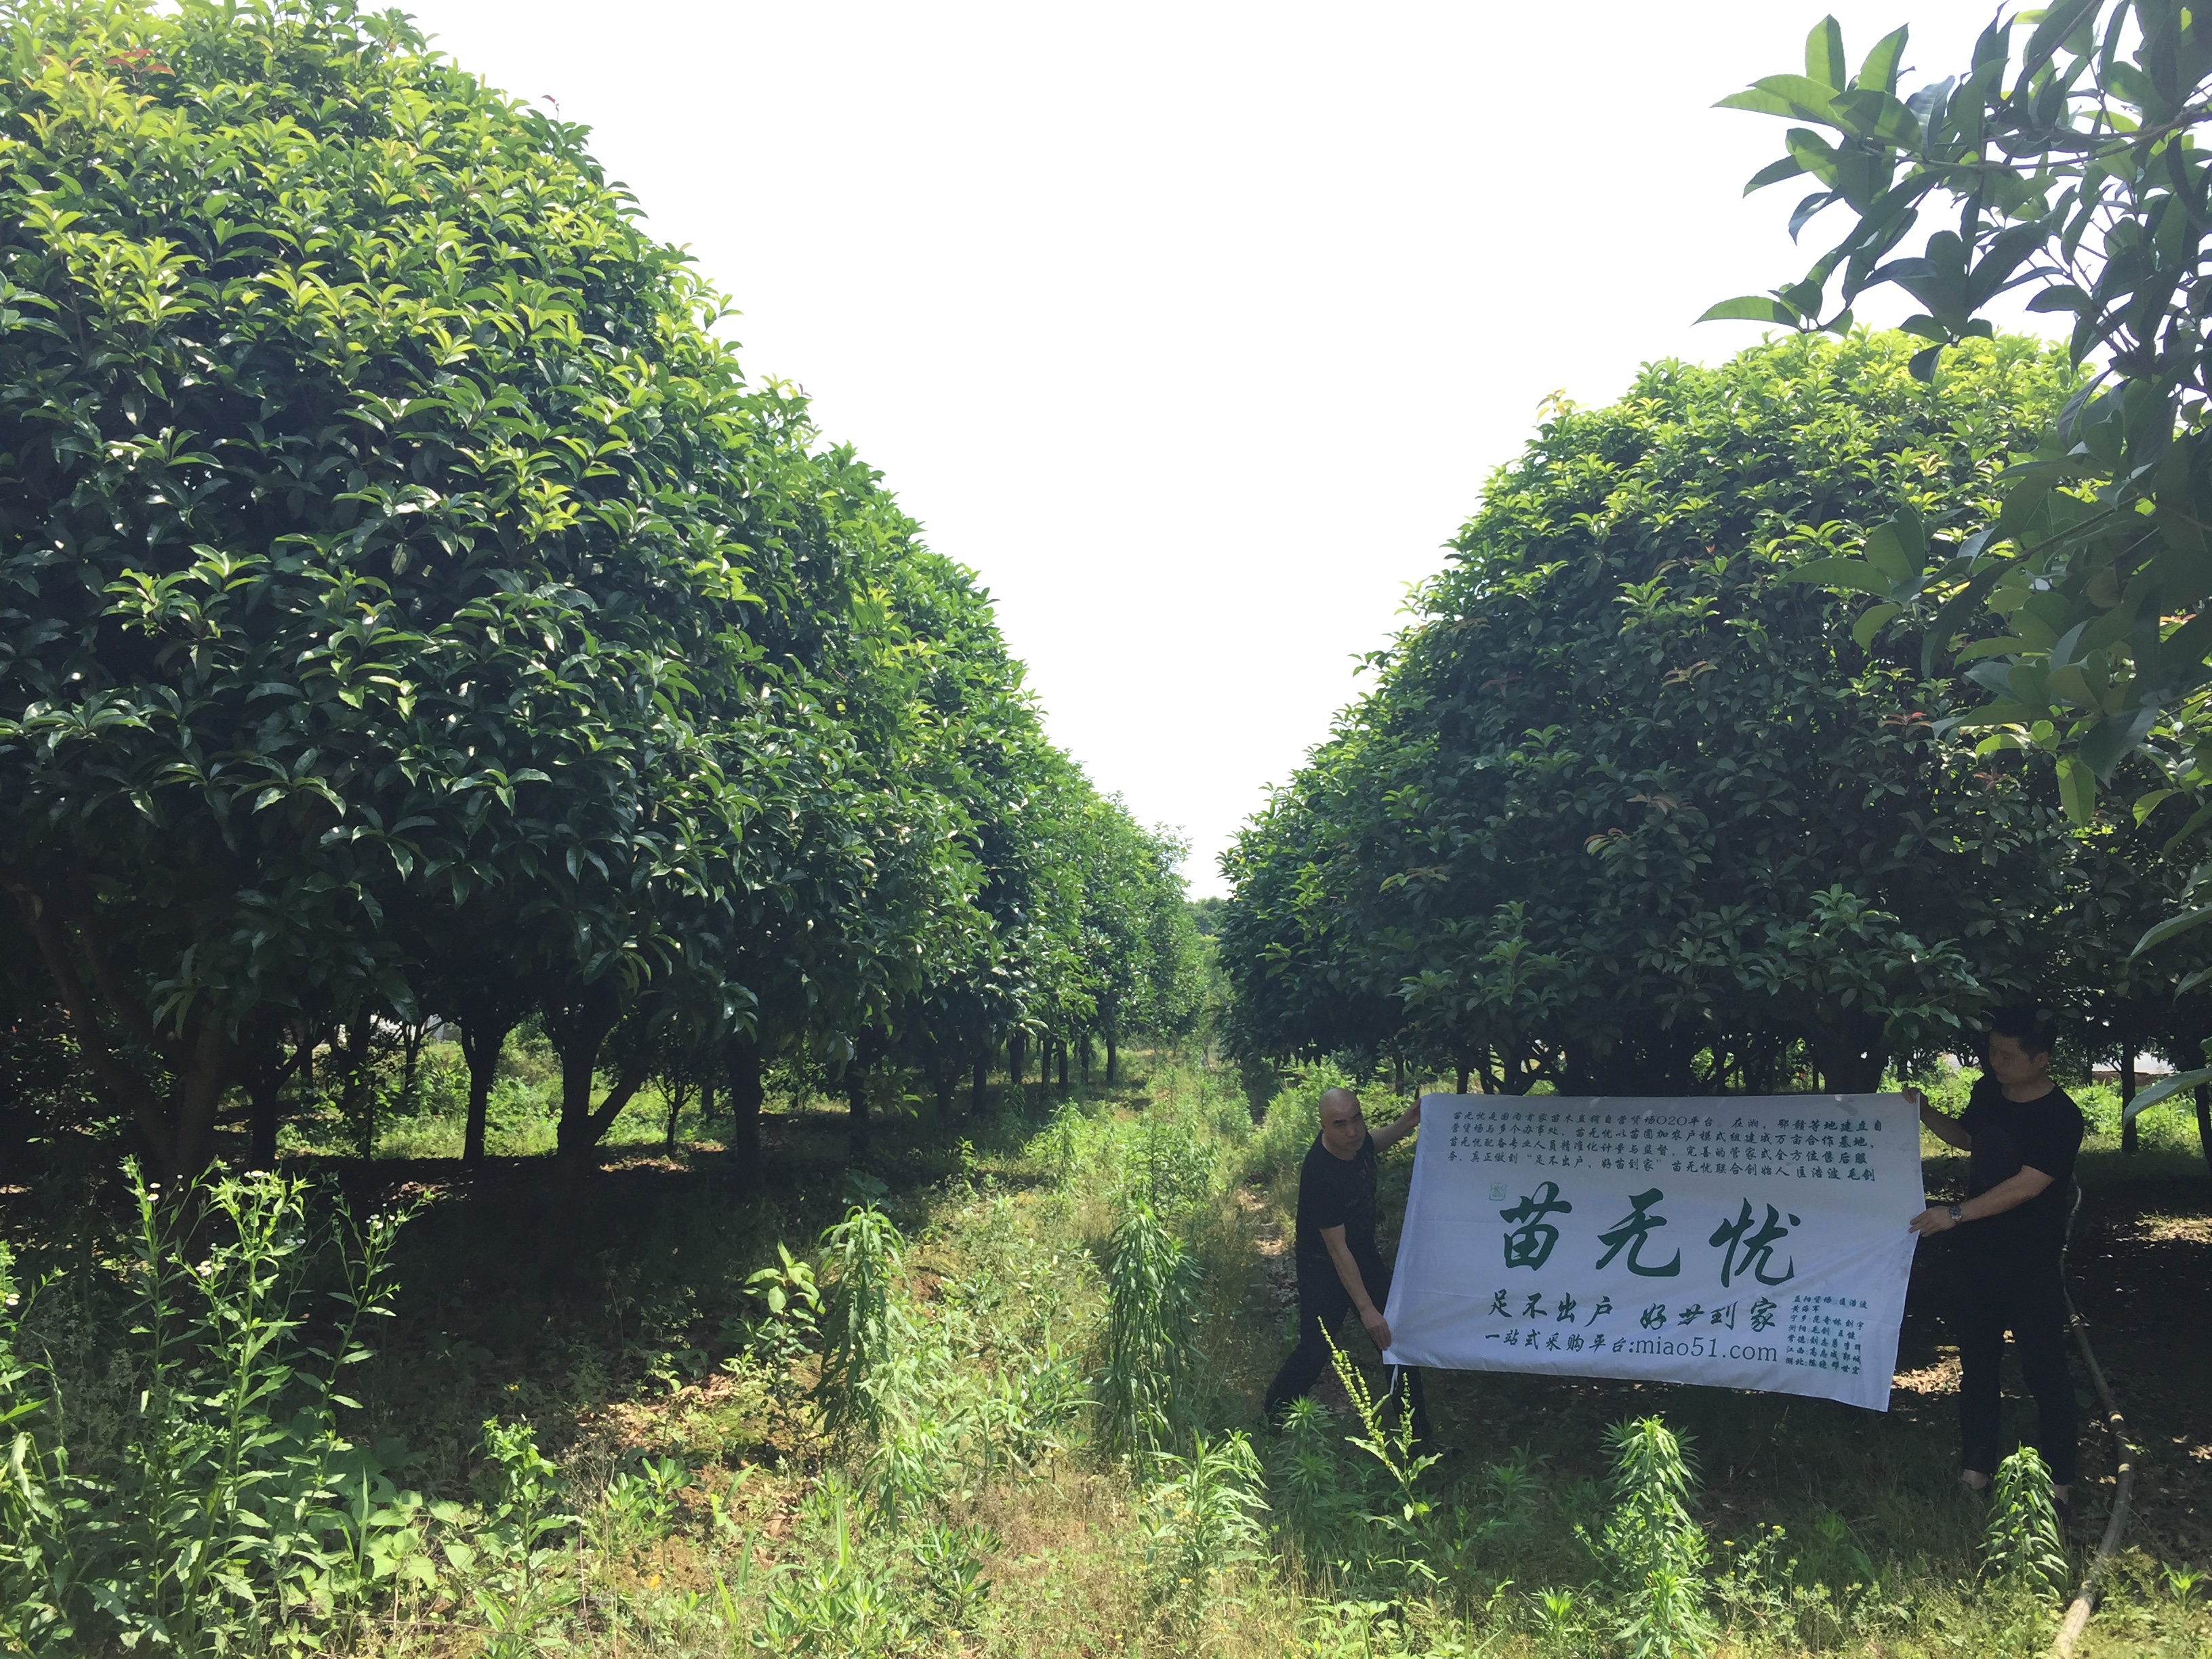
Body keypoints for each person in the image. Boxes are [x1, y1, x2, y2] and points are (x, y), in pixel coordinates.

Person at [1906, 1004, 2085, 1519]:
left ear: (2041, 1059)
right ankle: (1977, 1466)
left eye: (2007, 1055)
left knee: (2043, 1367)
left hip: (2030, 1259)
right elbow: (1969, 1138)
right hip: (1976, 1257)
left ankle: (2060, 1476)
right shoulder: (1989, 1093)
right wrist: (1922, 1111)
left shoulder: (2061, 1116)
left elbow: (2028, 1185)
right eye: (1991, 1051)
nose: (1995, 1061)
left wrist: (1955, 1213)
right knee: (1977, 1363)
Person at [1263, 1086, 1431, 1439]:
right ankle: (1271, 1419)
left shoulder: (1356, 1142)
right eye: (1340, 1124)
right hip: (1322, 1264)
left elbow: (1373, 1141)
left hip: (1362, 1254)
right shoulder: (1321, 1174)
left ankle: (1416, 1438)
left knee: (1395, 1339)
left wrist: (1408, 1121)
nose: (1352, 1131)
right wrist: (1367, 1309)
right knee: (1315, 1349)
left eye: (1357, 1118)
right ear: (1323, 1126)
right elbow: (1338, 1251)